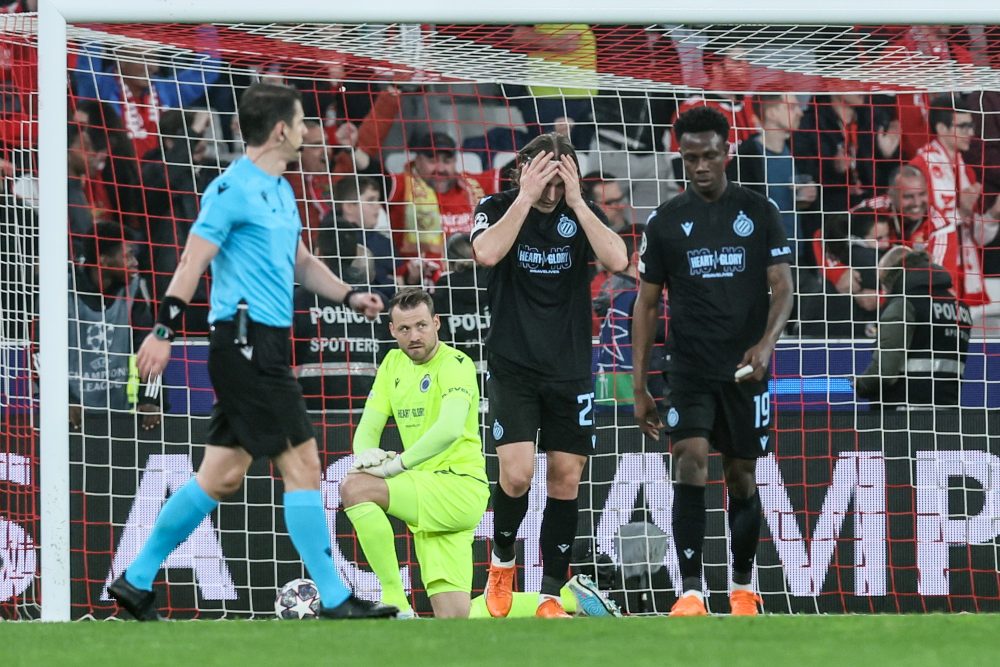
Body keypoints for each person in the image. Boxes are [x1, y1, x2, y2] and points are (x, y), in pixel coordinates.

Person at [108, 82, 396, 621]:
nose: (311, 131)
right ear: (282, 129)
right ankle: (334, 597)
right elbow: (192, 263)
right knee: (305, 465)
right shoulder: (229, 189)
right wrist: (164, 331)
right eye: (304, 122)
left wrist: (350, 294)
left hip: (263, 344)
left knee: (220, 476)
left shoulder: (282, 189)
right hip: (242, 343)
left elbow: (301, 263)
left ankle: (136, 579)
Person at [631, 106, 794, 616]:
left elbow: (783, 287)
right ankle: (692, 589)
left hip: (746, 370)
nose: (700, 166)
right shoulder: (665, 222)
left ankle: (743, 586)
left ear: (728, 152)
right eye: (690, 157)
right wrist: (639, 386)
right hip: (689, 368)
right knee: (690, 461)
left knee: (742, 475)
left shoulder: (760, 211)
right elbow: (648, 302)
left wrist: (766, 344)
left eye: (709, 155)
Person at [470, 132, 628, 618]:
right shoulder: (496, 206)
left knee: (565, 479)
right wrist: (525, 197)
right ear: (522, 170)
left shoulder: (580, 213)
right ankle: (502, 561)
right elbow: (487, 254)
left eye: (563, 180)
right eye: (547, 178)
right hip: (513, 366)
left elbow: (620, 260)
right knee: (516, 475)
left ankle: (548, 595)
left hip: (570, 369)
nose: (554, 191)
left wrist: (579, 202)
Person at [340, 288, 489, 618]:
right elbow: (368, 426)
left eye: (422, 326)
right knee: (455, 619)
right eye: (405, 329)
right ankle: (560, 601)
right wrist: (365, 454)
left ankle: (393, 596)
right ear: (392, 330)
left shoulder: (456, 363)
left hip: (458, 487)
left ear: (436, 323)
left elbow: (450, 428)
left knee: (354, 487)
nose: (414, 336)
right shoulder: (393, 363)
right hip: (429, 491)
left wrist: (395, 467)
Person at [67, 221, 160, 432]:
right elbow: (39, 352)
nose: (135, 262)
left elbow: (150, 349)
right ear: (104, 260)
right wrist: (63, 400)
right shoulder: (62, 291)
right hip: (70, 416)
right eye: (128, 256)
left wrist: (150, 398)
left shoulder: (133, 290)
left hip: (118, 419)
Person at [910, 95, 1000, 306]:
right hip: (934, 271)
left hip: (965, 277)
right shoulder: (919, 166)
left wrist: (994, 214)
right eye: (963, 126)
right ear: (941, 128)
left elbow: (978, 237)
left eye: (971, 126)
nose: (971, 133)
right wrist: (961, 210)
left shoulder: (967, 171)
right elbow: (913, 226)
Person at [855, 247, 972, 408]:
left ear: (891, 277)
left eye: (883, 283)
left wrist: (859, 385)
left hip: (902, 415)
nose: (884, 292)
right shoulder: (961, 308)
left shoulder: (904, 304)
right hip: (947, 412)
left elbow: (885, 371)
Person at [387, 131, 499, 286]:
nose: (440, 168)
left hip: (479, 279)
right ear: (417, 160)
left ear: (455, 162)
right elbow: (366, 172)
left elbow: (514, 171)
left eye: (447, 161)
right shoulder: (402, 186)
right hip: (423, 285)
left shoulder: (474, 184)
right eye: (432, 160)